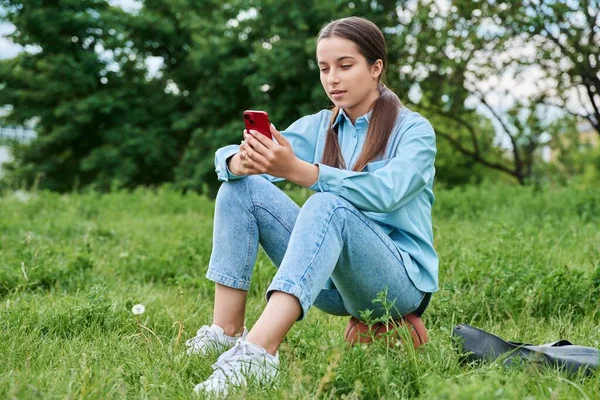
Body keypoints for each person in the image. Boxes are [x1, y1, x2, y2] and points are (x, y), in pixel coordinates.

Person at [187, 16, 438, 396]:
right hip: (335, 285)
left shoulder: (414, 130)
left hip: (399, 284)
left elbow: (388, 192)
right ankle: (225, 332)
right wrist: (243, 161)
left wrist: (306, 172)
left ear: (376, 67)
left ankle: (257, 354)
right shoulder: (320, 126)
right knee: (242, 188)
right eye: (324, 68)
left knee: (327, 205)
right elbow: (233, 160)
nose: (332, 78)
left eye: (345, 65)